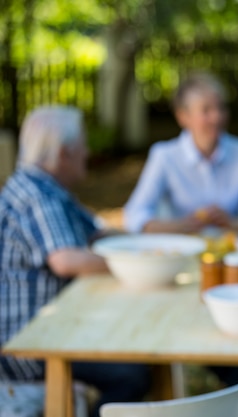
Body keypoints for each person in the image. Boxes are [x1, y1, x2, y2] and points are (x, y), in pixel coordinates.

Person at [0, 106, 151, 417]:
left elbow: (99, 235)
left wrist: (145, 242)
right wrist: (139, 264)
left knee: (138, 349)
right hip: (26, 344)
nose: (88, 152)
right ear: (64, 153)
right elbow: (66, 260)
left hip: (51, 329)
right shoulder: (37, 195)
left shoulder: (46, 188)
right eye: (82, 145)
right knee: (133, 375)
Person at [123, 72, 238, 235]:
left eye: (221, 108)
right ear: (183, 116)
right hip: (180, 254)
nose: (217, 117)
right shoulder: (164, 156)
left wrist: (230, 222)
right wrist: (183, 226)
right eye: (206, 110)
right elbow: (134, 215)